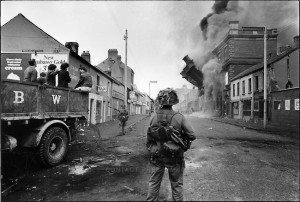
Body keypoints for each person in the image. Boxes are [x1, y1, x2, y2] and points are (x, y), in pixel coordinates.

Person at [146, 88, 196, 201]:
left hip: (157, 154)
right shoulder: (179, 117)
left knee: (153, 182)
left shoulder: (153, 116)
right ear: (173, 102)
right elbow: (192, 135)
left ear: (160, 101)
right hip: (174, 156)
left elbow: (149, 135)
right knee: (176, 185)